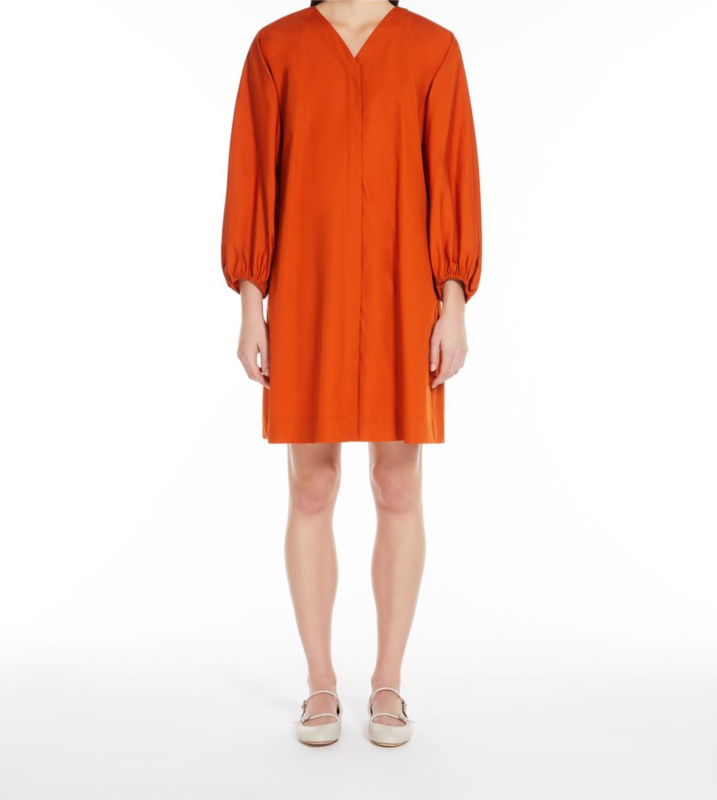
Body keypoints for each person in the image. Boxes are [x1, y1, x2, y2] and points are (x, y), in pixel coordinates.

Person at [221, 0, 482, 747]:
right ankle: (320, 683)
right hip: (309, 290)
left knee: (398, 485)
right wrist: (251, 308)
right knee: (312, 485)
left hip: (406, 295)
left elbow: (450, 174)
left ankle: (388, 681)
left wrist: (453, 305)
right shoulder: (276, 48)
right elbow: (255, 178)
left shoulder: (433, 49)